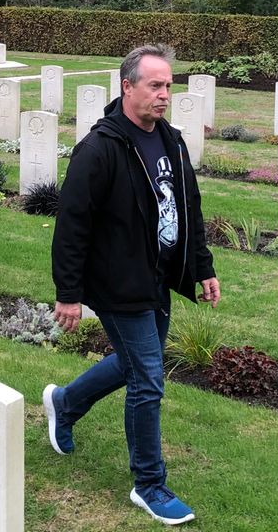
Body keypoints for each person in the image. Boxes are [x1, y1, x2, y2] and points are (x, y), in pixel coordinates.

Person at [44, 43, 221, 525]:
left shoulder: (171, 140)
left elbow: (189, 209)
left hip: (157, 277)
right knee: (148, 379)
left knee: (132, 363)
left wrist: (201, 266)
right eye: (155, 85)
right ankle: (149, 483)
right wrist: (69, 293)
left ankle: (65, 403)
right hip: (118, 282)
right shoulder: (99, 148)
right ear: (127, 86)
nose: (165, 95)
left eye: (169, 85)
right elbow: (72, 225)